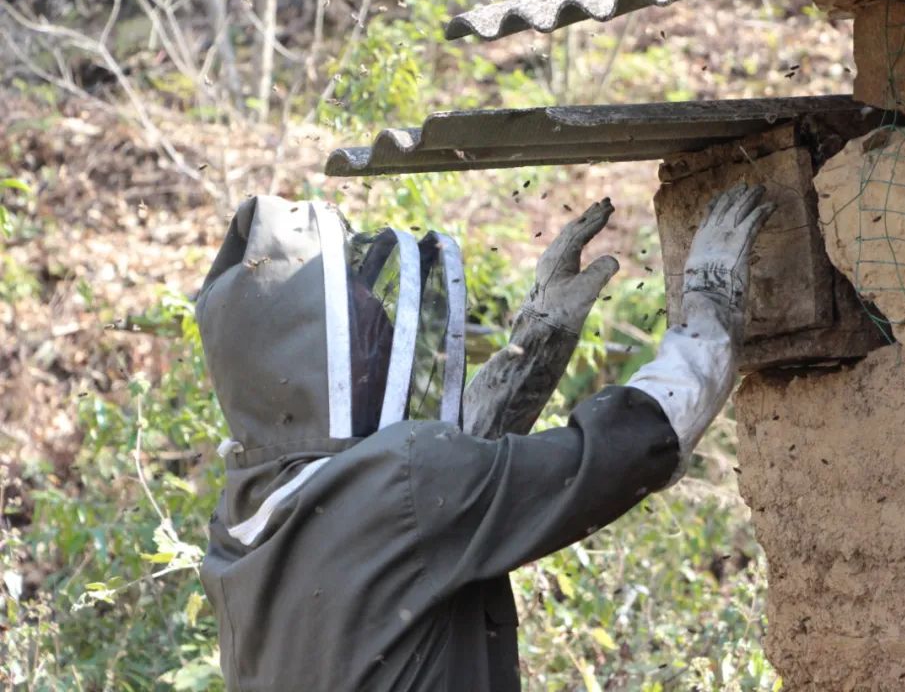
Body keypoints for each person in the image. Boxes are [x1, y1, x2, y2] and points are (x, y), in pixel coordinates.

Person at [195, 182, 775, 691]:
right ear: (318, 366)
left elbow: (432, 501)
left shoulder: (241, 515)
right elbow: (625, 452)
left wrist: (541, 339)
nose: (385, 339)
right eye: (370, 334)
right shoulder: (402, 484)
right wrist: (711, 303)